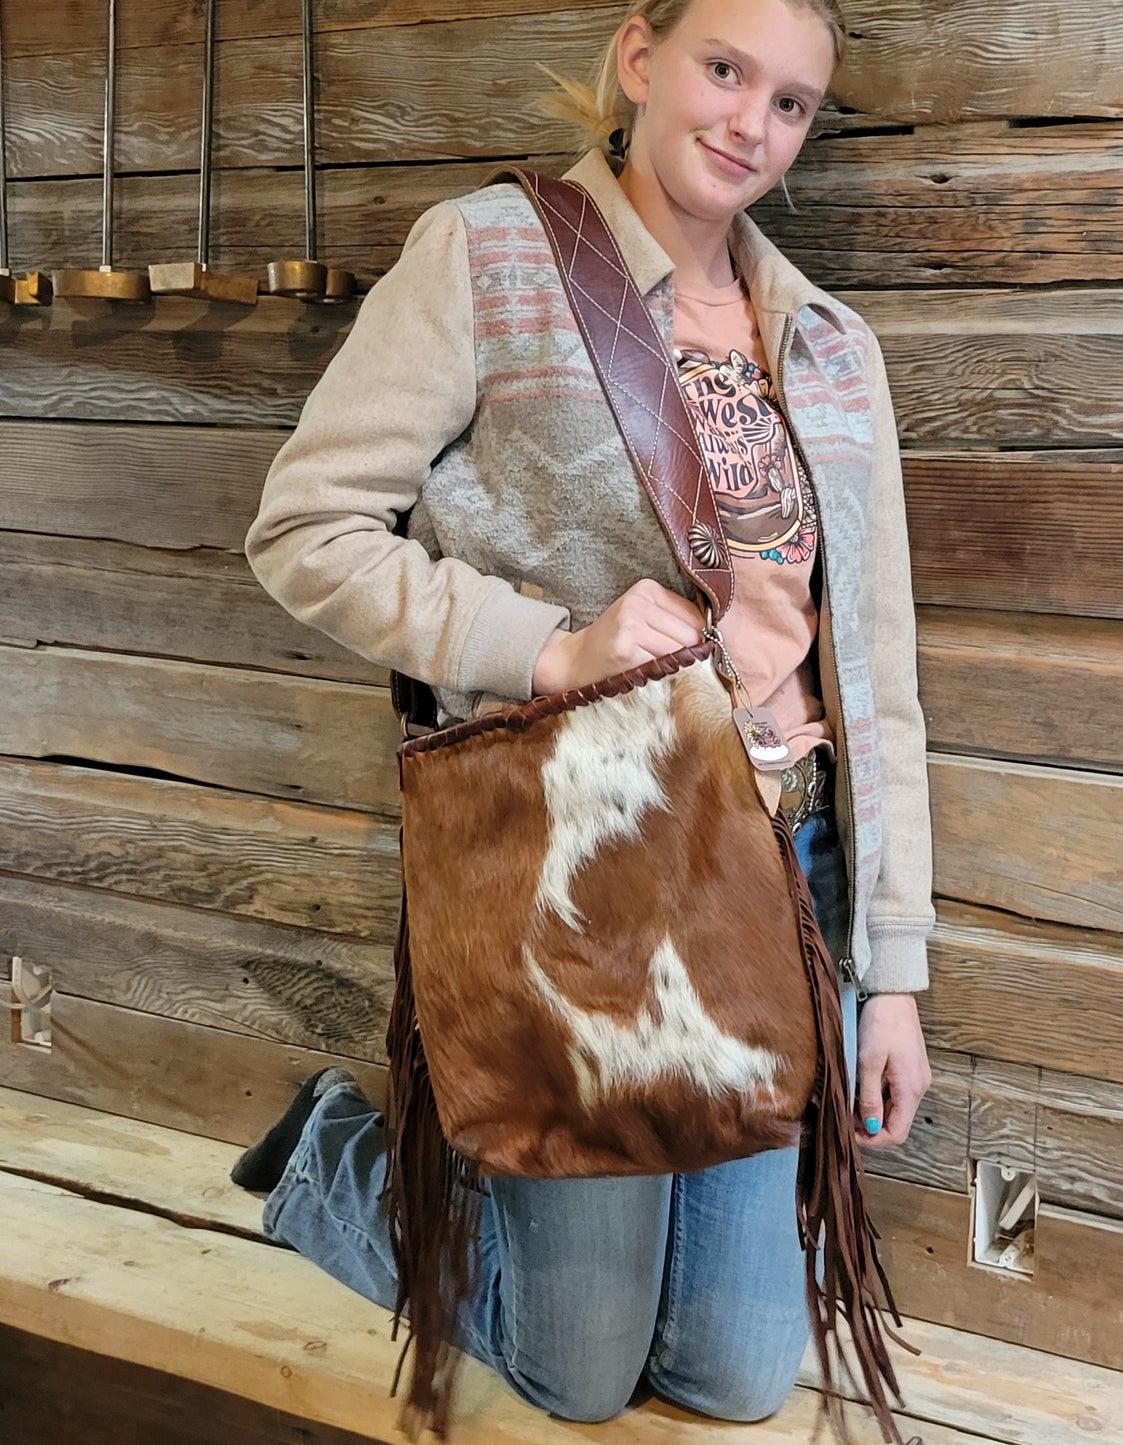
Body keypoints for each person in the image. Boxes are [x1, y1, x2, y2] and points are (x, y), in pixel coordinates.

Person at [237, 0, 935, 1427]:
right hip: (582, 879)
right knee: (573, 1366)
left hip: (775, 884)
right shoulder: (488, 254)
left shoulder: (829, 344)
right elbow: (304, 528)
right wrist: (547, 647)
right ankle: (333, 1157)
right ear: (638, 55)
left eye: (791, 103)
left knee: (732, 1376)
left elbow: (879, 673)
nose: (750, 123)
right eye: (722, 69)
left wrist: (896, 968)